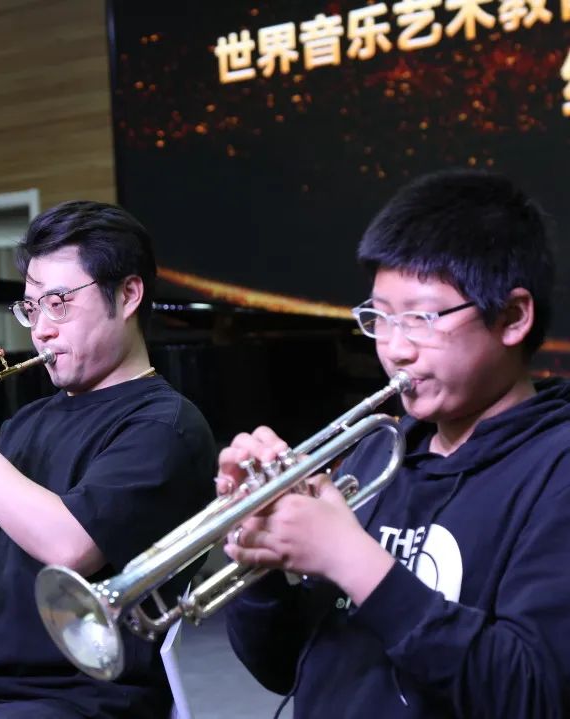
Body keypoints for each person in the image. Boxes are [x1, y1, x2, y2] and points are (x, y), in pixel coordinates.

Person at [220, 169, 570, 718]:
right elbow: (283, 667)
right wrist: (260, 563)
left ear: (512, 317)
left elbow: (533, 695)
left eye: (421, 318)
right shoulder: (379, 452)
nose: (395, 348)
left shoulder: (556, 469)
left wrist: (350, 557)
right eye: (380, 318)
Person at [0, 200, 217, 719]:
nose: (41, 329)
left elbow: (69, 548)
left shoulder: (163, 427)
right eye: (31, 308)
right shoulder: (29, 420)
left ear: (128, 294)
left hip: (75, 698)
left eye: (59, 304)